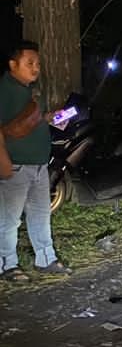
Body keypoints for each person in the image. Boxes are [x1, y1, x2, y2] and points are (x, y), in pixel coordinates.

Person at [0, 41, 66, 278]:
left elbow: (32, 120)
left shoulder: (31, 91)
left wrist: (51, 118)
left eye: (38, 63)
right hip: (16, 164)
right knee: (9, 219)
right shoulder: (5, 90)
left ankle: (45, 259)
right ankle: (7, 265)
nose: (36, 68)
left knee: (41, 214)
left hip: (39, 165)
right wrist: (3, 161)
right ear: (13, 64)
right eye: (30, 63)